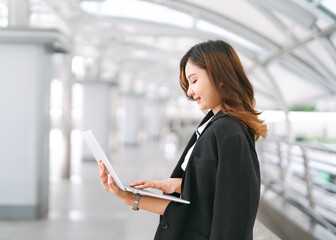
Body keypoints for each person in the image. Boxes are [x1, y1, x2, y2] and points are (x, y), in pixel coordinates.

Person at [98, 39, 267, 240]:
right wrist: (132, 196)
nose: (189, 92)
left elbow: (233, 217)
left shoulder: (229, 132)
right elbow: (199, 205)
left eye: (194, 81)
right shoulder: (213, 125)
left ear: (221, 76)